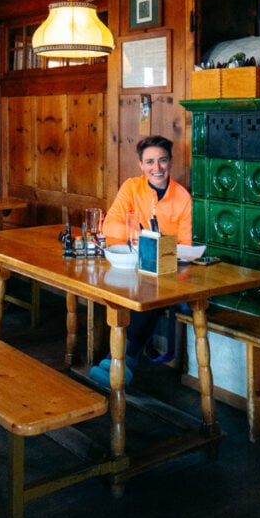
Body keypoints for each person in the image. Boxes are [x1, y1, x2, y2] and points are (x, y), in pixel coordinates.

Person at [89, 135, 192, 389]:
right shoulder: (131, 187)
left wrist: (143, 238)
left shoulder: (182, 198)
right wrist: (145, 237)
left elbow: (186, 247)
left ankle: (120, 360)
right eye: (150, 162)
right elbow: (110, 225)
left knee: (152, 291)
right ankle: (122, 360)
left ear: (170, 162)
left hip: (166, 271)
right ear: (140, 165)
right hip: (132, 265)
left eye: (162, 160)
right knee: (130, 289)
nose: (157, 168)